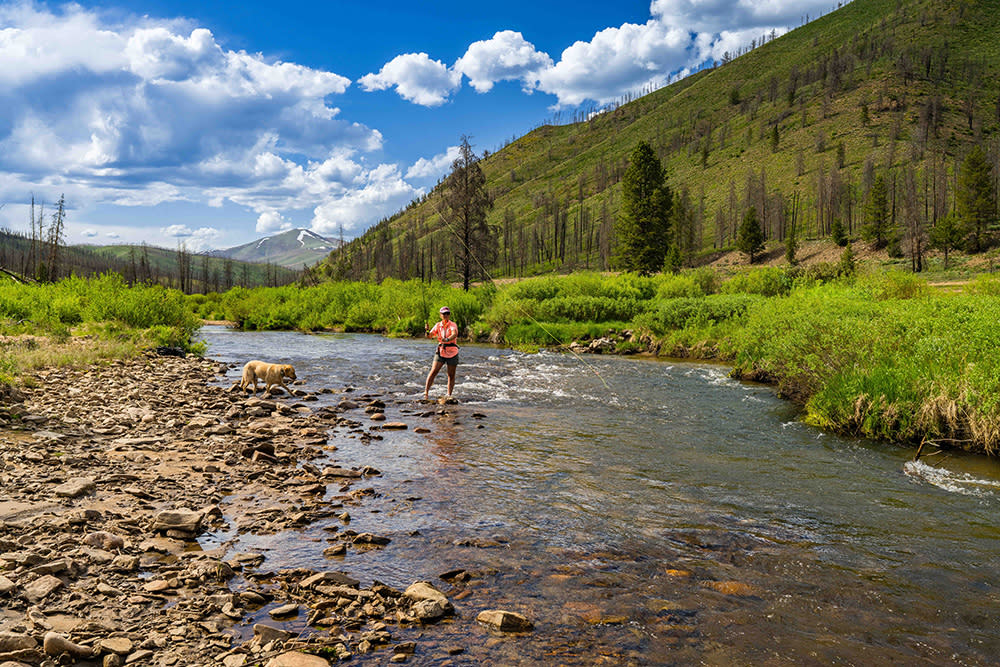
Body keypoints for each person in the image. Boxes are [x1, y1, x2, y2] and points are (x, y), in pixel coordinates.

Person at [424, 306, 459, 400]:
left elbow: (454, 333)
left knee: (451, 375)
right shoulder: (438, 325)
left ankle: (449, 394)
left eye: (447, 313)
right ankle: (426, 393)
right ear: (440, 315)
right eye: (444, 314)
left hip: (452, 352)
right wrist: (427, 330)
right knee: (433, 371)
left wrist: (447, 339)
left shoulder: (452, 325)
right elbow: (429, 336)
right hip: (441, 351)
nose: (446, 315)